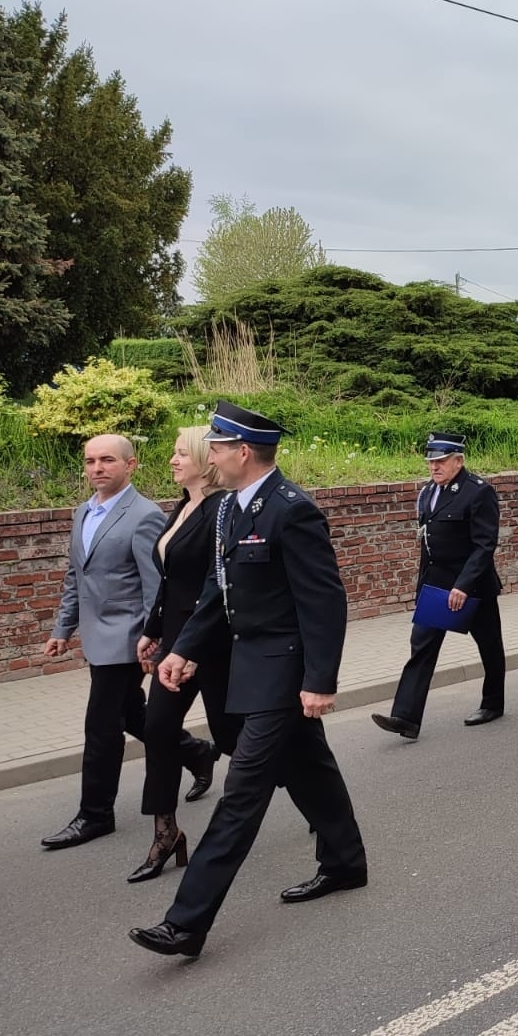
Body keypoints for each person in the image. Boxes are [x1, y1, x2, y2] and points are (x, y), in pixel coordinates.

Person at [130, 402, 367, 959]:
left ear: (241, 452)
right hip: (249, 667)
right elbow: (220, 592)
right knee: (310, 768)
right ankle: (345, 862)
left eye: (216, 445)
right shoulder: (232, 510)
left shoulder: (291, 511)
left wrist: (320, 680)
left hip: (283, 672)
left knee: (241, 794)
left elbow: (325, 600)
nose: (208, 453)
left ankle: (186, 922)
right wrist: (182, 648)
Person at [41, 434, 212, 853]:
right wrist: (62, 629)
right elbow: (75, 576)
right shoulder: (83, 512)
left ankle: (95, 814)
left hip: (128, 640)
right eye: (89, 461)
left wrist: (153, 640)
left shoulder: (144, 516)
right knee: (136, 715)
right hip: (96, 637)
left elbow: (158, 587)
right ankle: (196, 753)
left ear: (130, 465)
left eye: (107, 461)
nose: (97, 468)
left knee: (101, 726)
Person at [130, 427, 235, 883]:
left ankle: (316, 797)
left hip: (212, 641)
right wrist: (152, 630)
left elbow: (216, 585)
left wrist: (190, 646)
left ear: (204, 460)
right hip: (176, 640)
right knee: (157, 728)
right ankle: (165, 831)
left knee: (237, 737)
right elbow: (172, 579)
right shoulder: (183, 506)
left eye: (179, 453)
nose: (171, 460)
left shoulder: (220, 510)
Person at [372, 432, 505, 740]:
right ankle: (405, 717)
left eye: (441, 461)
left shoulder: (478, 492)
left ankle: (493, 702)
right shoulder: (429, 492)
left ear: (459, 460)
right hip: (437, 587)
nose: (434, 466)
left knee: (489, 646)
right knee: (422, 646)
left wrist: (464, 585)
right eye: (431, 461)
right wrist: (421, 588)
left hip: (472, 587)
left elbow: (484, 545)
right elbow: (426, 545)